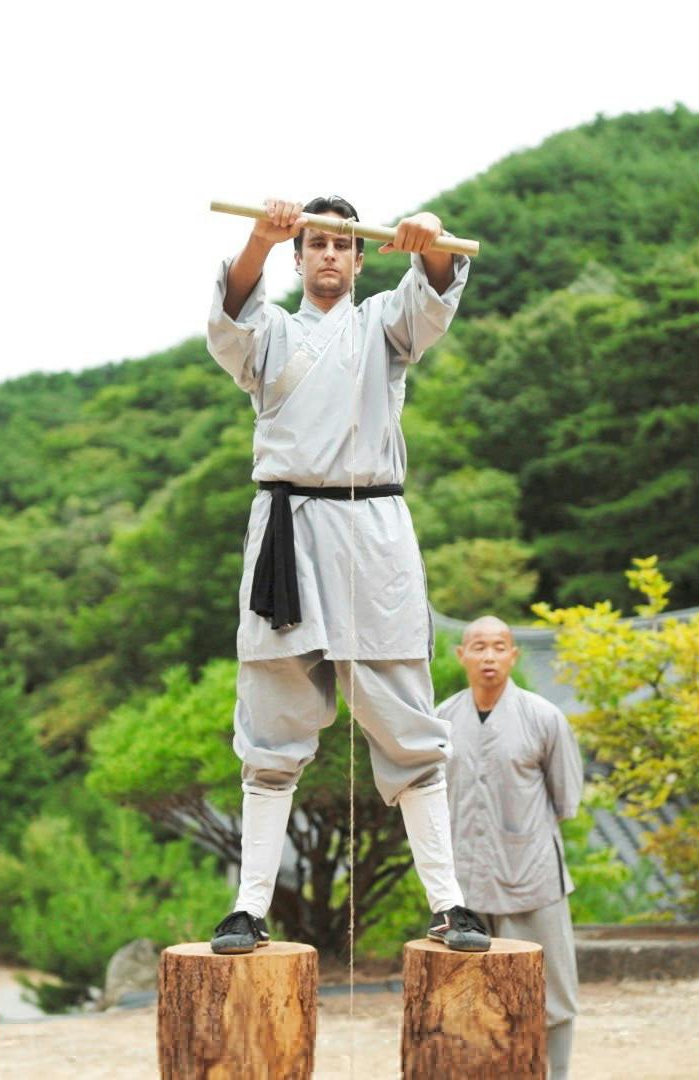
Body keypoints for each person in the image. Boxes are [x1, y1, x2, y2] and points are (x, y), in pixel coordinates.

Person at [204, 196, 489, 953]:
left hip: (372, 532)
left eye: (342, 246)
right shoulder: (272, 332)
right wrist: (259, 241)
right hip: (285, 533)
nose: (329, 256)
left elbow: (432, 297)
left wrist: (427, 240)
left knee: (405, 719)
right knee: (271, 724)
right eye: (316, 245)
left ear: (362, 259)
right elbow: (230, 317)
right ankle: (249, 907)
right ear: (300, 260)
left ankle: (451, 903)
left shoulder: (381, 326)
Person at [438, 616, 583, 1076]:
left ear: (513, 656)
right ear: (461, 655)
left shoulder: (544, 717)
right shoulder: (442, 719)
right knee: (469, 997)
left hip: (533, 873)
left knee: (552, 993)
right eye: (478, 647)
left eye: (499, 647)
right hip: (465, 883)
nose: (489, 657)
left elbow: (565, 798)